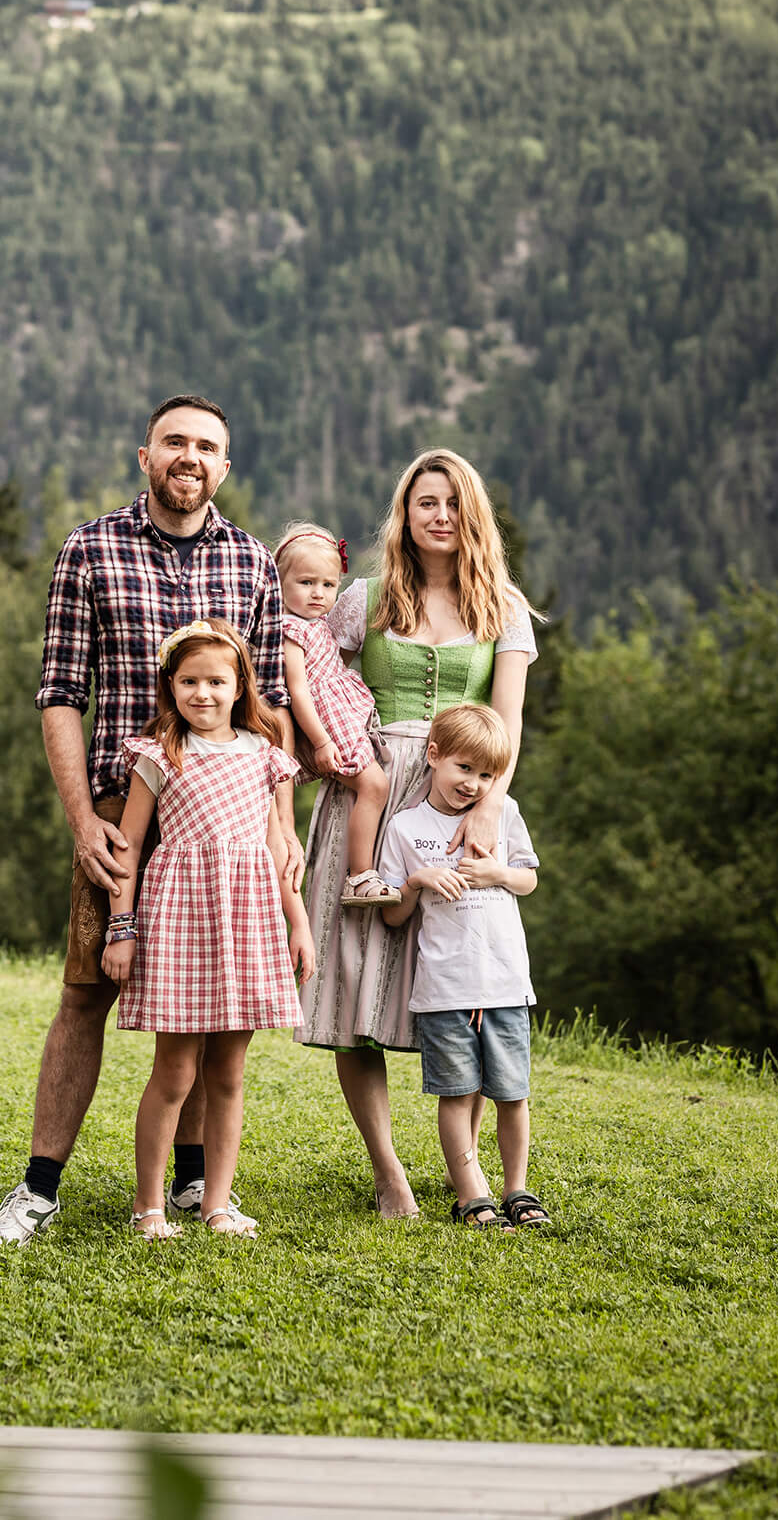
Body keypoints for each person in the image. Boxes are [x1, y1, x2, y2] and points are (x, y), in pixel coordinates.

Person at [0, 395, 299, 1246]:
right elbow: (58, 697)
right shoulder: (90, 548)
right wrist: (84, 819)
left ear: (224, 466)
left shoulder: (253, 564)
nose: (189, 456)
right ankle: (39, 1187)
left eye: (206, 446)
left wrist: (283, 826)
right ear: (144, 455)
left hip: (229, 814)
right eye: (174, 442)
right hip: (125, 809)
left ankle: (194, 1182)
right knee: (85, 988)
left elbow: (269, 713)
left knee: (217, 995)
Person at [298, 450, 537, 1220]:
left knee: (461, 985)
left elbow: (506, 725)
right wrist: (323, 757)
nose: (437, 515)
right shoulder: (361, 599)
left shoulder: (502, 608)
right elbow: (301, 679)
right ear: (403, 514)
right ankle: (388, 1171)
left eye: (450, 503)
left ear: (472, 516)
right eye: (422, 502)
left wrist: (486, 811)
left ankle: (461, 1164)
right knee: (354, 986)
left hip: (453, 797)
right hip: (365, 794)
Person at [104, 619, 314, 1238]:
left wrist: (297, 924)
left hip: (248, 923)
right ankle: (148, 1207)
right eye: (190, 681)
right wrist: (122, 927)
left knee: (228, 1073)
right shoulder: (159, 755)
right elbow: (129, 849)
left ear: (239, 684)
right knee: (174, 1071)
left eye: (217, 681)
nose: (204, 694)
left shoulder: (265, 755)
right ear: (171, 686)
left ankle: (217, 1203)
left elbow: (278, 854)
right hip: (179, 921)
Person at [378, 704, 549, 1231]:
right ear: (434, 756)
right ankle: (471, 1193)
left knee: (512, 1094)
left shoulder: (503, 814)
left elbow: (528, 880)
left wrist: (497, 870)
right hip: (446, 988)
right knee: (455, 1095)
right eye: (463, 769)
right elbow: (393, 915)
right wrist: (418, 881)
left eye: (486, 775)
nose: (474, 784)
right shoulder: (406, 828)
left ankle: (517, 1188)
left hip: (505, 982)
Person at [274, 524, 394, 908]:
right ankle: (360, 876)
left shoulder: (317, 624)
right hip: (327, 725)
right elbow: (297, 691)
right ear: (279, 583)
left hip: (337, 717)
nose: (317, 593)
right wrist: (322, 741)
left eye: (328, 585)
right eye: (306, 582)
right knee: (374, 787)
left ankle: (364, 869)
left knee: (375, 787)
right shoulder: (291, 630)